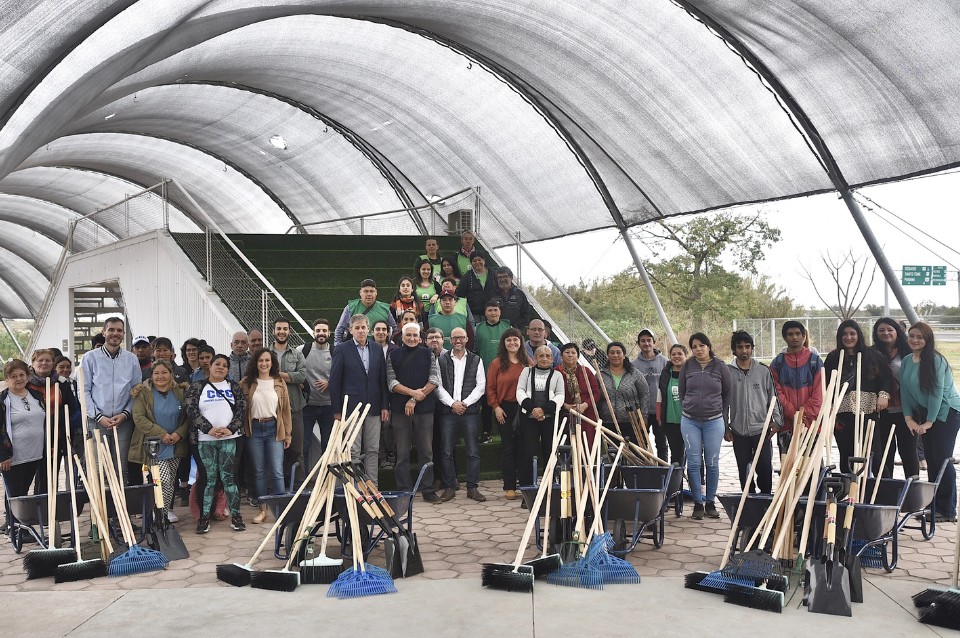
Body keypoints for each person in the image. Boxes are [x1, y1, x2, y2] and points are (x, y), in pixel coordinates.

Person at [901, 322, 960, 523]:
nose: (915, 340)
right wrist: (909, 418)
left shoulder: (936, 360)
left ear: (928, 339)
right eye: (912, 336)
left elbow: (936, 393)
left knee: (942, 460)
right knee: (931, 459)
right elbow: (905, 391)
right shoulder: (907, 360)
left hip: (947, 411)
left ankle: (948, 510)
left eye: (920, 337)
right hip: (926, 412)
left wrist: (929, 422)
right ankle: (934, 505)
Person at [185, 354, 246, 533]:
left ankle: (236, 517)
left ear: (228, 370)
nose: (220, 367)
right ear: (210, 366)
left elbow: (242, 409)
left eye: (224, 365)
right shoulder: (198, 386)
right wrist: (208, 429)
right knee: (207, 479)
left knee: (230, 478)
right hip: (204, 441)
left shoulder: (233, 386)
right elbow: (191, 409)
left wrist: (230, 429)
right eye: (217, 364)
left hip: (231, 439)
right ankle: (204, 518)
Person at [823, 320, 892, 477]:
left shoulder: (873, 355)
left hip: (867, 412)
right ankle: (850, 488)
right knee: (846, 456)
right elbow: (826, 383)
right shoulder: (833, 357)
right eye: (844, 334)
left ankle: (882, 487)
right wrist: (829, 404)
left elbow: (887, 378)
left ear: (858, 335)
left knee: (875, 456)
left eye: (852, 334)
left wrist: (883, 395)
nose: (848, 337)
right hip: (842, 414)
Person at [329, 314, 390, 487]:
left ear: (368, 329)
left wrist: (385, 405)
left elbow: (382, 380)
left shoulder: (377, 348)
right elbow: (335, 381)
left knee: (373, 449)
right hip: (351, 409)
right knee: (353, 450)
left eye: (363, 327)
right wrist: (337, 410)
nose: (361, 331)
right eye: (357, 328)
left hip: (374, 407)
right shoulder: (342, 349)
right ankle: (356, 489)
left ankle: (372, 488)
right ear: (351, 330)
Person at [82, 316, 142, 485]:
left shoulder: (131, 359)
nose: (115, 333)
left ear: (123, 334)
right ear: (104, 332)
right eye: (111, 330)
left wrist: (125, 414)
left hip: (123, 421)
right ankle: (101, 501)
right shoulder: (90, 358)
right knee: (98, 467)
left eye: (119, 330)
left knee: (121, 468)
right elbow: (83, 390)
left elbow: (136, 391)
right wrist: (98, 416)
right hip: (97, 421)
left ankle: (121, 500)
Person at [678, 333, 731, 521]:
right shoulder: (687, 366)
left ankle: (710, 502)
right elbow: (682, 392)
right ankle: (698, 503)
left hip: (714, 421)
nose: (698, 349)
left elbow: (727, 394)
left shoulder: (721, 366)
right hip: (690, 421)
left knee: (712, 462)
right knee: (693, 463)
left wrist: (719, 413)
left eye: (702, 345)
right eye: (694, 346)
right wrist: (689, 406)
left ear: (709, 346)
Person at [387, 323, 441, 504]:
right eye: (408, 335)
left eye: (415, 335)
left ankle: (428, 489)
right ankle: (404, 490)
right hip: (400, 410)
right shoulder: (393, 355)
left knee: (426, 451)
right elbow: (391, 382)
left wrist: (414, 399)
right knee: (402, 452)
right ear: (402, 337)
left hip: (424, 410)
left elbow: (434, 380)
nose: (411, 338)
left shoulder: (428, 354)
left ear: (420, 338)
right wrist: (412, 394)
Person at [130, 360, 189, 522]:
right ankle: (158, 511)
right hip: (154, 446)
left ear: (171, 374)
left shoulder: (181, 392)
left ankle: (163, 514)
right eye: (156, 373)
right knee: (163, 479)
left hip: (175, 444)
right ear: (151, 375)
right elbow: (139, 418)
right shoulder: (143, 393)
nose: (160, 376)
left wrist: (178, 434)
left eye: (164, 372)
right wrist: (162, 434)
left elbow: (188, 417)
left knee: (170, 481)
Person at [726, 331, 783, 495]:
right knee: (744, 469)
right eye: (740, 347)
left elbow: (773, 396)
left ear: (752, 348)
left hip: (761, 429)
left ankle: (765, 499)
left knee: (764, 467)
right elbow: (723, 403)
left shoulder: (763, 370)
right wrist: (725, 427)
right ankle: (748, 499)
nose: (744, 350)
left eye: (747, 346)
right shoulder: (727, 372)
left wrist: (777, 421)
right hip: (738, 431)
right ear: (734, 349)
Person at [241, 349, 293, 524]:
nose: (264, 363)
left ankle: (281, 512)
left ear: (272, 363)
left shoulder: (279, 382)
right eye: (260, 360)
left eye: (267, 360)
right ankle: (262, 510)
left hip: (274, 428)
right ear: (255, 363)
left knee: (277, 471)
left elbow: (285, 411)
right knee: (259, 472)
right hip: (254, 429)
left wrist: (288, 435)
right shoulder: (246, 383)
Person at [435, 327, 487, 502]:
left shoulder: (476, 360)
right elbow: (438, 385)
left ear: (467, 339)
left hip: (469, 411)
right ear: (450, 340)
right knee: (446, 451)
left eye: (461, 338)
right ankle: (449, 487)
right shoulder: (441, 360)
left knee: (473, 451)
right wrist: (453, 404)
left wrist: (465, 403)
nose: (458, 341)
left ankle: (472, 488)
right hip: (448, 411)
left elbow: (481, 386)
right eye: (455, 338)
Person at [0, 360, 47, 529]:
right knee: (14, 494)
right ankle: (12, 527)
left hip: (34, 453)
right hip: (13, 456)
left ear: (27, 376)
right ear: (7, 379)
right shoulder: (3, 400)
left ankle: (21, 526)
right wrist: (3, 456)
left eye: (22, 375)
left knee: (24, 491)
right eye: (13, 376)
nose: (19, 379)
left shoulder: (36, 396)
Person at [486, 328, 530, 500]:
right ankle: (509, 486)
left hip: (524, 409)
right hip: (504, 410)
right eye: (509, 340)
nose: (512, 343)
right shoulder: (496, 364)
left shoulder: (528, 362)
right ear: (504, 343)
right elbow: (490, 388)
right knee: (508, 448)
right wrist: (496, 407)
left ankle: (526, 485)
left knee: (524, 448)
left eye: (515, 339)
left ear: (521, 342)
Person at [871, 318, 918, 479]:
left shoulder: (909, 351)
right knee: (884, 453)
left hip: (907, 411)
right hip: (882, 411)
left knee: (909, 452)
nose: (886, 333)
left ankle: (912, 488)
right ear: (876, 333)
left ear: (897, 331)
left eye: (890, 329)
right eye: (881, 330)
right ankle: (886, 488)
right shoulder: (871, 353)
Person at [770, 321, 824, 457]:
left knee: (810, 466)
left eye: (798, 334)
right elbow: (775, 392)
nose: (794, 337)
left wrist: (802, 415)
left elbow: (819, 394)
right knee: (788, 465)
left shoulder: (815, 362)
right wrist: (793, 414)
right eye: (790, 334)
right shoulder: (777, 363)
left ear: (804, 336)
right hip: (787, 425)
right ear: (784, 337)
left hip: (810, 424)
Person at [29, 349, 79, 491]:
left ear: (53, 364)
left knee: (49, 477)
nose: (44, 363)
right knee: (27, 477)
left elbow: (70, 408)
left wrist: (50, 419)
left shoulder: (62, 383)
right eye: (40, 360)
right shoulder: (25, 383)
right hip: (31, 437)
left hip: (55, 435)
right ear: (33, 363)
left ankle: (48, 503)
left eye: (48, 360)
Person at [517, 345, 565, 489]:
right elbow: (520, 391)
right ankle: (528, 489)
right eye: (541, 356)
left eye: (548, 356)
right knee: (528, 454)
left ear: (552, 359)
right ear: (535, 358)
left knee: (549, 453)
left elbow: (560, 395)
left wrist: (543, 410)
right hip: (529, 420)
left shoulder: (557, 375)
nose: (544, 358)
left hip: (550, 420)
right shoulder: (526, 371)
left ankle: (548, 488)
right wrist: (533, 409)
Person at [271, 318, 307, 487]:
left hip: (294, 408)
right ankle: (273, 488)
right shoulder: (266, 354)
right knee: (272, 451)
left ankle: (299, 486)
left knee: (297, 450)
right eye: (279, 328)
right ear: (273, 331)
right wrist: (290, 377)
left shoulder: (297, 354)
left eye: (285, 329)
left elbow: (302, 376)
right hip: (271, 410)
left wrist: (277, 374)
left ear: (289, 331)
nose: (282, 331)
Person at [597, 341, 651, 442]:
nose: (615, 355)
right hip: (608, 423)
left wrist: (644, 416)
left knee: (635, 451)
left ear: (624, 355)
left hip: (632, 422)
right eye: (612, 352)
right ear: (607, 355)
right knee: (613, 451)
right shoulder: (600, 374)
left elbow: (644, 394)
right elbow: (595, 396)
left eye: (618, 352)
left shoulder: (634, 373)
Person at [299, 318, 334, 469]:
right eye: (318, 330)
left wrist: (330, 383)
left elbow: (344, 375)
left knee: (328, 448)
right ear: (313, 332)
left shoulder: (335, 352)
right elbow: (293, 370)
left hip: (329, 407)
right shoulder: (302, 350)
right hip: (307, 406)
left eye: (324, 331)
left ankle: (326, 479)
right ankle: (305, 479)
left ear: (329, 333)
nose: (321, 333)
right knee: (304, 446)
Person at [630, 329, 670, 461]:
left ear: (654, 342)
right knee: (641, 444)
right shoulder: (633, 365)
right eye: (643, 341)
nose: (646, 343)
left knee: (662, 444)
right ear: (638, 344)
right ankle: (644, 468)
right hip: (642, 412)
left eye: (649, 340)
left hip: (660, 411)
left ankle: (663, 469)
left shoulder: (665, 362)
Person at [476, 299, 510, 443]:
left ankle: (507, 433)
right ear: (485, 313)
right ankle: (486, 432)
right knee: (486, 405)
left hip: (504, 372)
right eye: (490, 310)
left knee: (505, 403)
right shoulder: (478, 328)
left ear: (500, 312)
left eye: (495, 310)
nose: (493, 313)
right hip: (484, 372)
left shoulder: (507, 327)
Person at [557, 342, 601, 446]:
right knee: (568, 447)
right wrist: (566, 406)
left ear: (577, 356)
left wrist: (584, 405)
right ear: (561, 356)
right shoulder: (555, 372)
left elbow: (596, 393)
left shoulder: (586, 371)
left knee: (588, 446)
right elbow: (551, 395)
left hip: (587, 415)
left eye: (573, 353)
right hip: (565, 416)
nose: (570, 355)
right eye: (567, 352)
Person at [334, 279, 397, 345]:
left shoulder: (385, 308)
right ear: (360, 292)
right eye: (366, 291)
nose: (369, 294)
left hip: (379, 347)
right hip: (355, 347)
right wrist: (338, 347)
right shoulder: (351, 307)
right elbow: (340, 329)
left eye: (372, 291)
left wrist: (390, 346)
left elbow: (394, 329)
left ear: (376, 292)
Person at [372, 319, 398, 469]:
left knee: (388, 424)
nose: (381, 332)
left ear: (388, 332)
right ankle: (380, 456)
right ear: (372, 332)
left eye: (384, 329)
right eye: (378, 329)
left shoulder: (395, 349)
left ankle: (389, 452)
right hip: (373, 392)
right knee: (375, 426)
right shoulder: (367, 348)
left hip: (392, 392)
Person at [657, 344, 688, 465]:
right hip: (671, 423)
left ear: (686, 355)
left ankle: (697, 478)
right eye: (673, 354)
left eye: (680, 354)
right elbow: (660, 395)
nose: (676, 356)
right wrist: (659, 416)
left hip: (691, 422)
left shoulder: (692, 373)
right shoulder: (666, 373)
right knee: (676, 455)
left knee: (695, 455)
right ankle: (676, 478)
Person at [456, 250, 497, 324]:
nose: (477, 262)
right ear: (471, 263)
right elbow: (459, 294)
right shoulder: (467, 277)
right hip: (474, 314)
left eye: (479, 260)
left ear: (484, 260)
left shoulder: (494, 274)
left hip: (492, 312)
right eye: (474, 261)